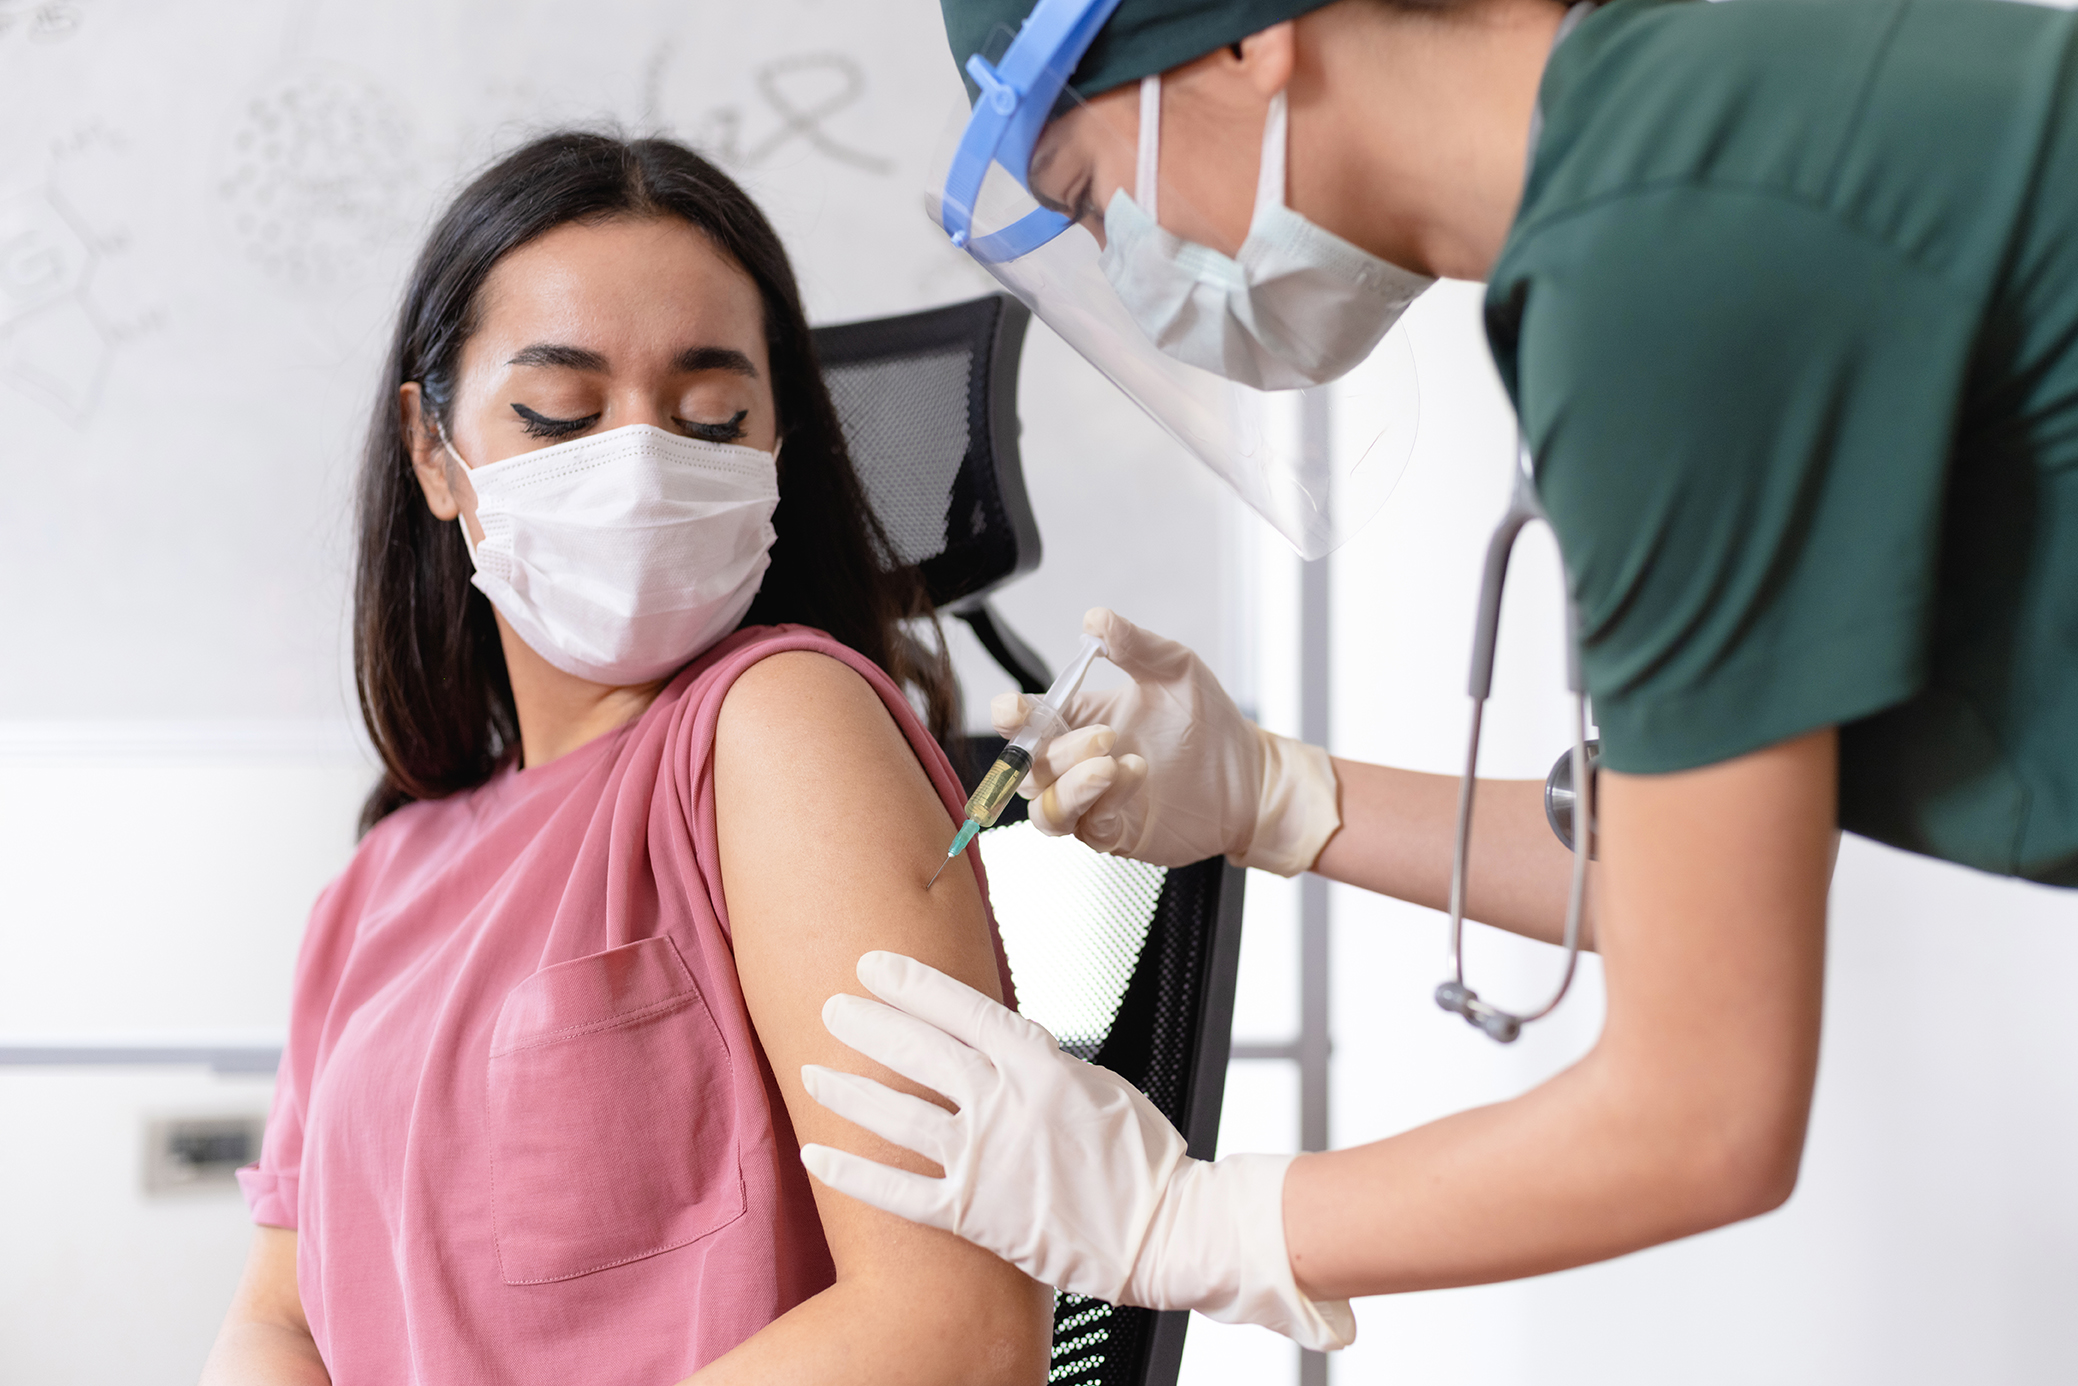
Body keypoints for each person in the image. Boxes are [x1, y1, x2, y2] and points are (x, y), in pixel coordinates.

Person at [796, 0, 2078, 1353]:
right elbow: (1689, 878)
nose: (1127, 263)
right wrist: (1278, 797)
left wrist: (1184, 1224)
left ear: (1241, 39)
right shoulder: (1677, 125)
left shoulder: (1658, 255)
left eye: (1091, 196)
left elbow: (1703, 1111)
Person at [200, 132, 1053, 1385]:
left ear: (775, 450)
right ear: (436, 452)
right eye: (560, 415)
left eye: (711, 419)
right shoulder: (383, 875)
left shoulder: (778, 727)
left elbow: (952, 1331)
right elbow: (278, 1318)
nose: (643, 466)